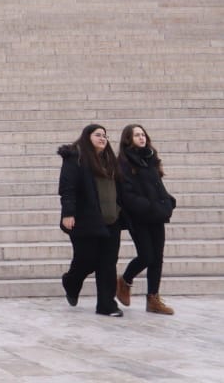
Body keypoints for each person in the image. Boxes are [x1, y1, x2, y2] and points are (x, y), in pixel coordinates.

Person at [57, 124, 126, 316]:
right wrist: (68, 213)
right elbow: (67, 188)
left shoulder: (110, 161)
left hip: (111, 220)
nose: (103, 138)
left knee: (108, 262)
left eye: (105, 135)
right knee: (86, 259)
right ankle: (71, 282)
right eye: (98, 135)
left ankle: (106, 305)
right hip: (85, 219)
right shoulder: (75, 158)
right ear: (87, 137)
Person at [116, 124, 177, 314]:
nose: (141, 138)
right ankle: (124, 280)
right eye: (137, 135)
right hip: (139, 217)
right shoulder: (124, 163)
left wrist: (168, 202)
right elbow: (127, 194)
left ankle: (153, 299)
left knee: (157, 258)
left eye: (143, 134)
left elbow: (158, 187)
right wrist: (148, 207)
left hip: (157, 215)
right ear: (128, 139)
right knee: (146, 256)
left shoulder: (150, 158)